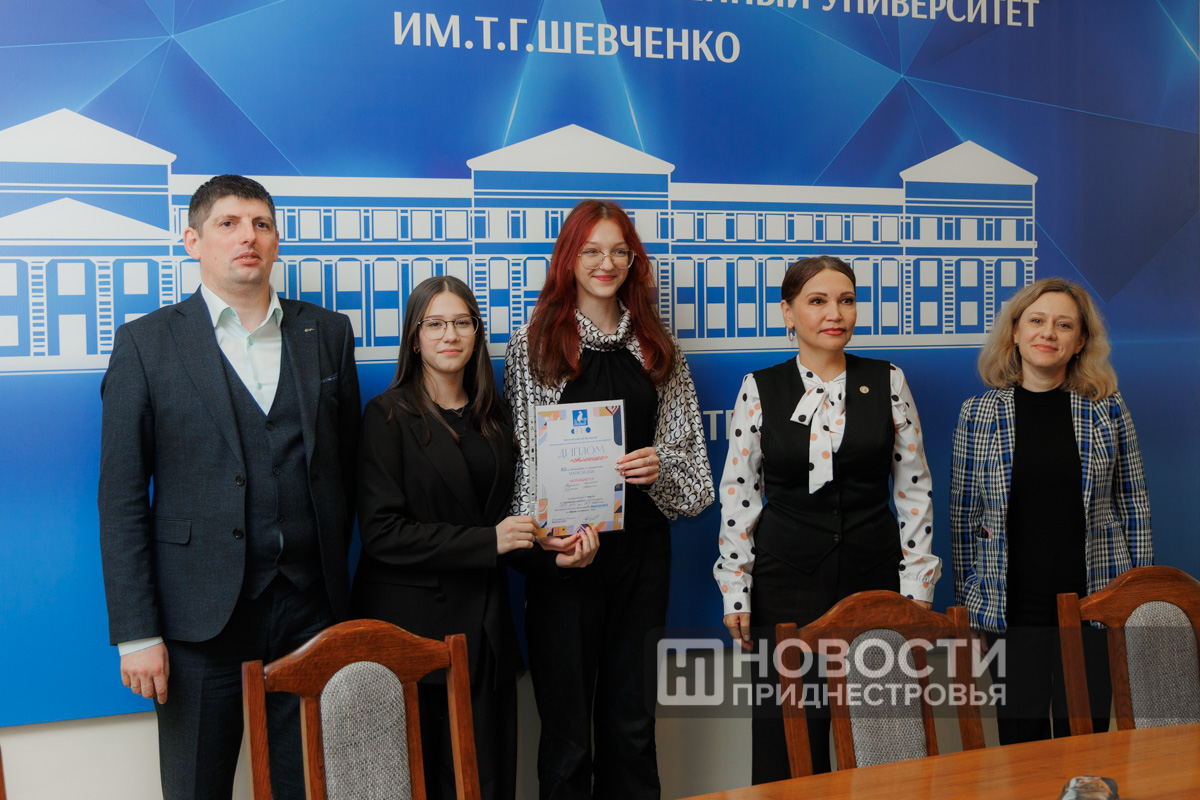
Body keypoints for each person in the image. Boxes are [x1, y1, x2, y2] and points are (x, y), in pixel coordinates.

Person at [98, 175, 360, 799]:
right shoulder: (146, 342)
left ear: (276, 241)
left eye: (262, 224)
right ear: (192, 241)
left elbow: (346, 465)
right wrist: (138, 633)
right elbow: (122, 498)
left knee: (307, 785)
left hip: (309, 609)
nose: (249, 237)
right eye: (229, 223)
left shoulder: (326, 333)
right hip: (198, 619)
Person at [350, 276, 597, 800]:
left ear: (477, 333)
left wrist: (554, 557)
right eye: (435, 324)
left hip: (484, 637)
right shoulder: (386, 415)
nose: (450, 335)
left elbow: (509, 527)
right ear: (414, 336)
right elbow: (382, 534)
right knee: (414, 785)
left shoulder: (496, 418)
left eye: (462, 322)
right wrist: (489, 542)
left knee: (485, 783)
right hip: (410, 636)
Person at [504, 199, 714, 799]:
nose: (607, 263)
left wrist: (659, 465)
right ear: (569, 259)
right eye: (592, 250)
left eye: (620, 251)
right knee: (567, 735)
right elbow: (527, 466)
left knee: (633, 725)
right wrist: (552, 550)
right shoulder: (534, 344)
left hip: (642, 557)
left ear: (633, 261)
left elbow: (695, 474)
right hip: (567, 561)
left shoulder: (656, 345)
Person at [713, 255, 940, 780]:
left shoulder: (887, 380)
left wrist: (917, 588)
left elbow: (913, 488)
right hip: (785, 584)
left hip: (873, 579)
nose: (834, 313)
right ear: (788, 313)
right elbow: (739, 493)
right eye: (817, 301)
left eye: (846, 300)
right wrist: (736, 589)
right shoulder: (759, 387)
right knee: (787, 741)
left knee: (885, 735)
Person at [950, 277, 1152, 744]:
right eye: (1036, 321)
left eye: (1064, 325)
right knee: (1021, 747)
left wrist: (1133, 601)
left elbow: (1135, 505)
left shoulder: (1107, 409)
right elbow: (963, 517)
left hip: (1093, 605)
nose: (1048, 333)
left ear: (1080, 341)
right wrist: (969, 604)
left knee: (1087, 741)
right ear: (1015, 331)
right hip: (1010, 610)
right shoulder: (977, 413)